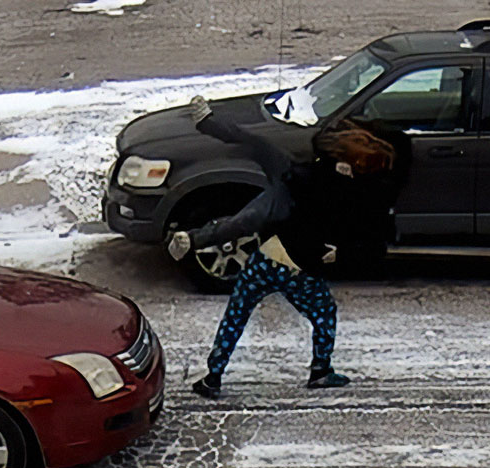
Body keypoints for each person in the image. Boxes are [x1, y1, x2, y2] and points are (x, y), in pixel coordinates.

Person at [169, 95, 399, 399]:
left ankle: (213, 376)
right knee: (324, 313)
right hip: (298, 267)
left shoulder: (310, 170)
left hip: (265, 257)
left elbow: (265, 147)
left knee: (236, 314)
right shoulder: (352, 194)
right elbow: (370, 238)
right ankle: (321, 370)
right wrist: (340, 254)